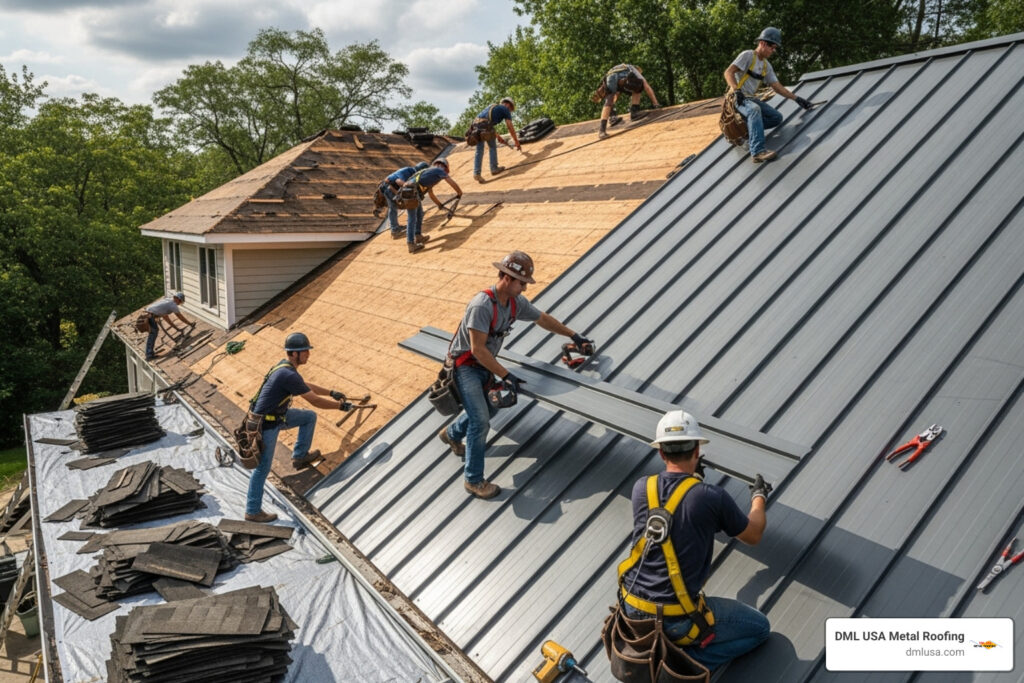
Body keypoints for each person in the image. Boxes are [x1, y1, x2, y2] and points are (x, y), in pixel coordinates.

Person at [617, 410, 771, 670]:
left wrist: (693, 482)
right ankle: (682, 665)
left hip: (632, 609)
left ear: (661, 453)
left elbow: (674, 517)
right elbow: (753, 534)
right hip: (676, 619)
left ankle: (662, 652)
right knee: (759, 628)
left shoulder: (642, 487)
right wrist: (759, 497)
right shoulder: (711, 497)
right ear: (697, 450)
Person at [438, 251, 595, 499]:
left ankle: (452, 434)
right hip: (466, 366)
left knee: (490, 408)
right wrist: (506, 375)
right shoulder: (482, 305)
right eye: (522, 283)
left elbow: (542, 319)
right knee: (480, 421)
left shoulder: (514, 303)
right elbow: (478, 349)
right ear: (507, 278)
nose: (524, 288)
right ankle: (473, 480)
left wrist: (573, 336)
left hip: (485, 365)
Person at [244, 332, 353, 522]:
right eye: (305, 351)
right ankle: (252, 511)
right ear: (294, 354)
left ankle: (300, 457)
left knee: (308, 417)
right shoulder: (287, 374)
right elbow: (314, 400)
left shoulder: (285, 368)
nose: (308, 354)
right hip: (265, 425)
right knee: (262, 469)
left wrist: (331, 392)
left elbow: (304, 385)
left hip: (276, 416)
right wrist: (340, 406)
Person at [723, 27, 813, 163]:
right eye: (772, 47)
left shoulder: (766, 66)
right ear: (763, 43)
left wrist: (797, 99)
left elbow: (777, 87)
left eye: (775, 48)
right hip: (737, 98)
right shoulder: (747, 56)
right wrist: (736, 90)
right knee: (754, 110)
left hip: (750, 99)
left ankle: (745, 130)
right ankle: (757, 152)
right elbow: (728, 72)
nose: (773, 50)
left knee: (776, 118)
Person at [403, 159, 462, 253]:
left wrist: (439, 205)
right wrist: (459, 192)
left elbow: (431, 194)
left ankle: (418, 236)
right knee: (412, 218)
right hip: (410, 193)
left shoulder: (429, 173)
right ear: (443, 166)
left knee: (419, 214)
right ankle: (411, 244)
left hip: (412, 192)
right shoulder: (439, 170)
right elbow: (450, 181)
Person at [598, 64, 661, 139]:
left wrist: (611, 111)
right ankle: (635, 112)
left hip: (608, 78)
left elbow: (616, 95)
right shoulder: (633, 69)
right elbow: (647, 87)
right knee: (640, 85)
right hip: (620, 78)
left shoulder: (621, 68)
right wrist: (656, 104)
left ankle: (602, 130)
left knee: (609, 99)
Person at [470, 98, 520, 182]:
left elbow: (486, 121)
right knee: (492, 147)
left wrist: (497, 136)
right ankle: (494, 168)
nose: (510, 111)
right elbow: (510, 126)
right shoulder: (505, 109)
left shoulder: (492, 106)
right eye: (511, 109)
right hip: (486, 127)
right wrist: (516, 141)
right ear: (508, 104)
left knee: (479, 150)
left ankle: (476, 173)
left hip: (475, 127)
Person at [379, 161, 429, 239]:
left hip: (390, 187)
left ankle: (395, 228)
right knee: (393, 208)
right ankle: (395, 230)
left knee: (393, 208)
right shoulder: (407, 171)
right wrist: (408, 188)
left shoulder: (412, 172)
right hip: (388, 187)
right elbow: (398, 181)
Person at [144, 292, 192, 360]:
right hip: (150, 315)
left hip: (149, 313)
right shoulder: (173, 305)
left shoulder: (168, 301)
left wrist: (176, 328)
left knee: (154, 332)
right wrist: (190, 324)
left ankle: (149, 353)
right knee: (153, 333)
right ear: (177, 299)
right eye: (180, 301)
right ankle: (149, 354)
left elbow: (166, 317)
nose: (179, 304)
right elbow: (180, 316)